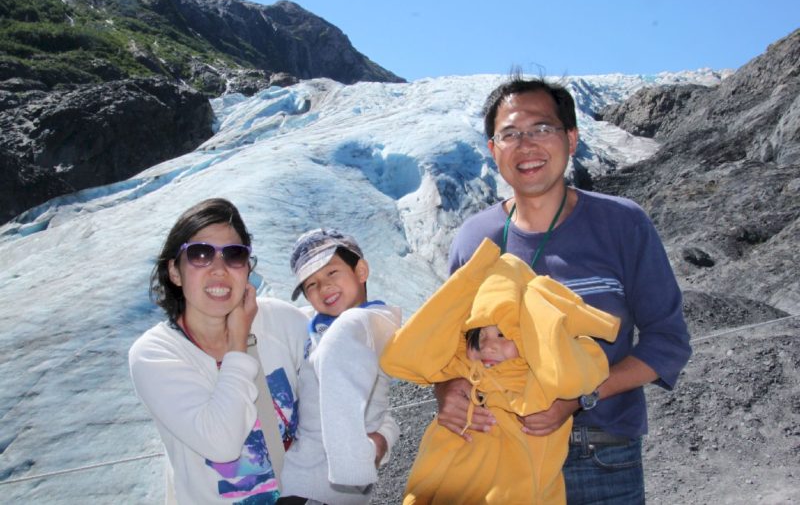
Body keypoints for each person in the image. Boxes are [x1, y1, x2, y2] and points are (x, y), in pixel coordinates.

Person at [438, 75, 693, 503]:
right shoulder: (473, 239)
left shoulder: (623, 225)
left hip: (600, 457)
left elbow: (667, 342)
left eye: (542, 129)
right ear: (492, 150)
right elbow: (448, 349)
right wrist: (449, 393)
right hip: (500, 454)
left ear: (571, 139)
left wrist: (580, 397)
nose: (527, 145)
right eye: (511, 134)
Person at [381, 238, 619, 504]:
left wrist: (542, 315)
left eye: (504, 334)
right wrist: (471, 277)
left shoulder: (541, 377)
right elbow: (401, 356)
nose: (489, 347)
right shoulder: (460, 364)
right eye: (478, 336)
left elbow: (579, 370)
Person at [128, 198, 309, 504]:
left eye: (234, 255)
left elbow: (345, 374)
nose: (219, 269)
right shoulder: (156, 354)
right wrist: (239, 343)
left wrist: (381, 435)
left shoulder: (282, 321)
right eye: (200, 254)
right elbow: (222, 443)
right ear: (174, 271)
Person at [279, 228, 401, 505]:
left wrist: (355, 464)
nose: (323, 287)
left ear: (361, 271)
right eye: (311, 284)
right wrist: (384, 437)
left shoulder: (356, 322)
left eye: (331, 272)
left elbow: (340, 344)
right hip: (309, 484)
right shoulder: (325, 323)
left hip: (316, 489)